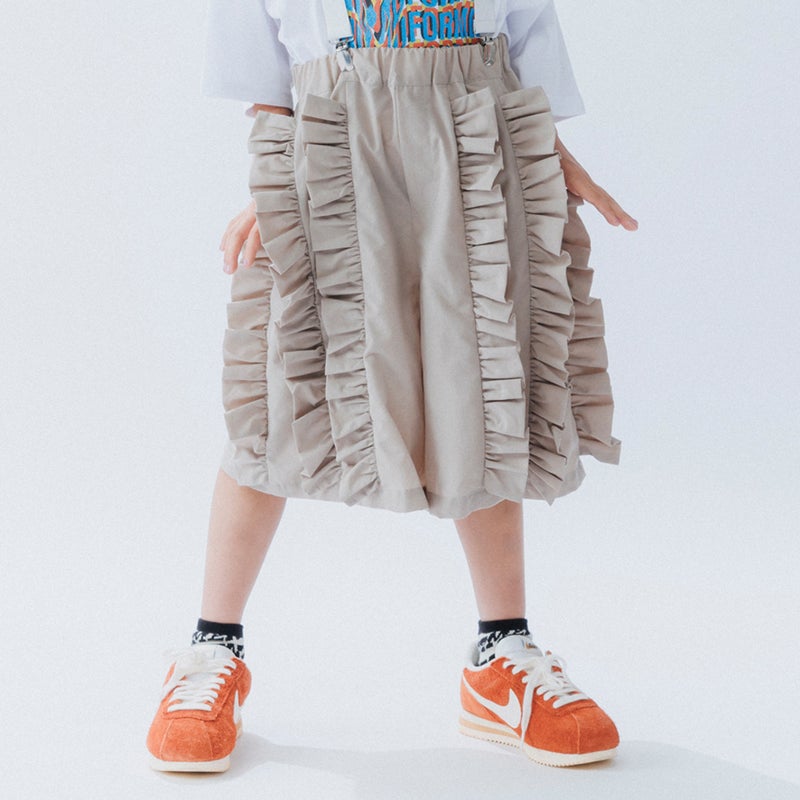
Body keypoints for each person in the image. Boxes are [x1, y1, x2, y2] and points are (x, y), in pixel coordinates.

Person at [146, 0, 638, 774]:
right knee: (281, 399)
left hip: (474, 152)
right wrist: (277, 186)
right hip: (333, 156)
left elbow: (523, 37)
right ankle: (212, 648)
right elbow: (268, 86)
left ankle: (501, 653)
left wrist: (548, 153)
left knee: (480, 386)